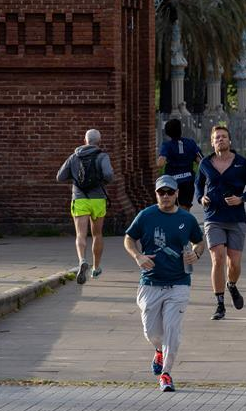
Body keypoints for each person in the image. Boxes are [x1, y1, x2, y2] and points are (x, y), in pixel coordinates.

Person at [124, 175, 204, 392]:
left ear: (177, 193)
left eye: (170, 192)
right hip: (150, 282)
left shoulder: (187, 219)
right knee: (151, 332)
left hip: (179, 283)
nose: (166, 196)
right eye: (162, 192)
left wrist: (196, 254)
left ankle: (166, 374)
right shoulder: (146, 215)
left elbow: (199, 241)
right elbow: (129, 238)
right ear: (156, 193)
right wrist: (138, 256)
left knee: (172, 329)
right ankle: (158, 350)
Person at [195, 125, 246, 320]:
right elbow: (198, 186)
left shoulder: (241, 162)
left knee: (235, 264)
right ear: (212, 142)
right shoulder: (205, 163)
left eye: (223, 137)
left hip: (236, 217)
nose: (220, 140)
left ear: (230, 141)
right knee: (218, 258)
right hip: (213, 217)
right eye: (217, 137)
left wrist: (242, 199)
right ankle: (220, 303)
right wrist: (200, 198)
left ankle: (232, 285)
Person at [56, 128, 114, 284]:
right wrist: (101, 181)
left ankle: (82, 260)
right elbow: (109, 175)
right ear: (99, 141)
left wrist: (74, 177)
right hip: (98, 199)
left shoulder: (74, 157)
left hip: (80, 198)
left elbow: (60, 177)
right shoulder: (102, 156)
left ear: (85, 141)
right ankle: (96, 268)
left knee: (80, 235)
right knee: (97, 234)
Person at [157, 119, 203, 212]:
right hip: (188, 180)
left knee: (171, 208)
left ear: (167, 132)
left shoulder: (167, 145)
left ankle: (174, 225)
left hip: (172, 182)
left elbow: (161, 163)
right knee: (185, 208)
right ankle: (184, 225)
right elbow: (201, 161)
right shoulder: (190, 143)